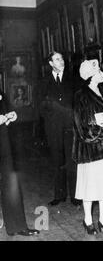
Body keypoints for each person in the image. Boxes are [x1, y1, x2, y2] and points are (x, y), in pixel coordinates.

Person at [73, 59, 103, 235]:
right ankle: (87, 220)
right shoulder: (81, 95)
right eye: (99, 72)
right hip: (91, 149)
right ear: (91, 75)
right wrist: (101, 131)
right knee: (90, 186)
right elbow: (81, 125)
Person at [40, 51, 80, 207]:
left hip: (70, 127)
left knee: (72, 160)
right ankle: (59, 195)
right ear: (51, 63)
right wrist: (51, 118)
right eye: (57, 59)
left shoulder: (73, 79)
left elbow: (78, 102)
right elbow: (41, 106)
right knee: (57, 161)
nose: (61, 61)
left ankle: (75, 196)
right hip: (53, 128)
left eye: (62, 58)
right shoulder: (44, 82)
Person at [0, 91, 39, 237]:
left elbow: (6, 112)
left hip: (4, 144)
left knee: (11, 184)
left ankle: (17, 226)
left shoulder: (2, 94)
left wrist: (10, 117)